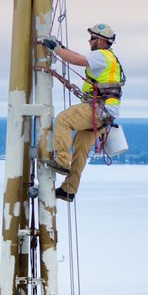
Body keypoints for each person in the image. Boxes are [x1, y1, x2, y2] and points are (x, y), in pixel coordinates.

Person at [39, 23, 125, 202]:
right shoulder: (108, 58)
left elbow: (77, 60)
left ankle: (62, 160)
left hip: (99, 109)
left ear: (101, 41)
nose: (90, 41)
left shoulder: (102, 56)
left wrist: (55, 48)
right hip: (106, 114)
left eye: (93, 38)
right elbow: (77, 57)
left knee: (63, 119)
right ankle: (69, 190)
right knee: (80, 149)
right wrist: (61, 49)